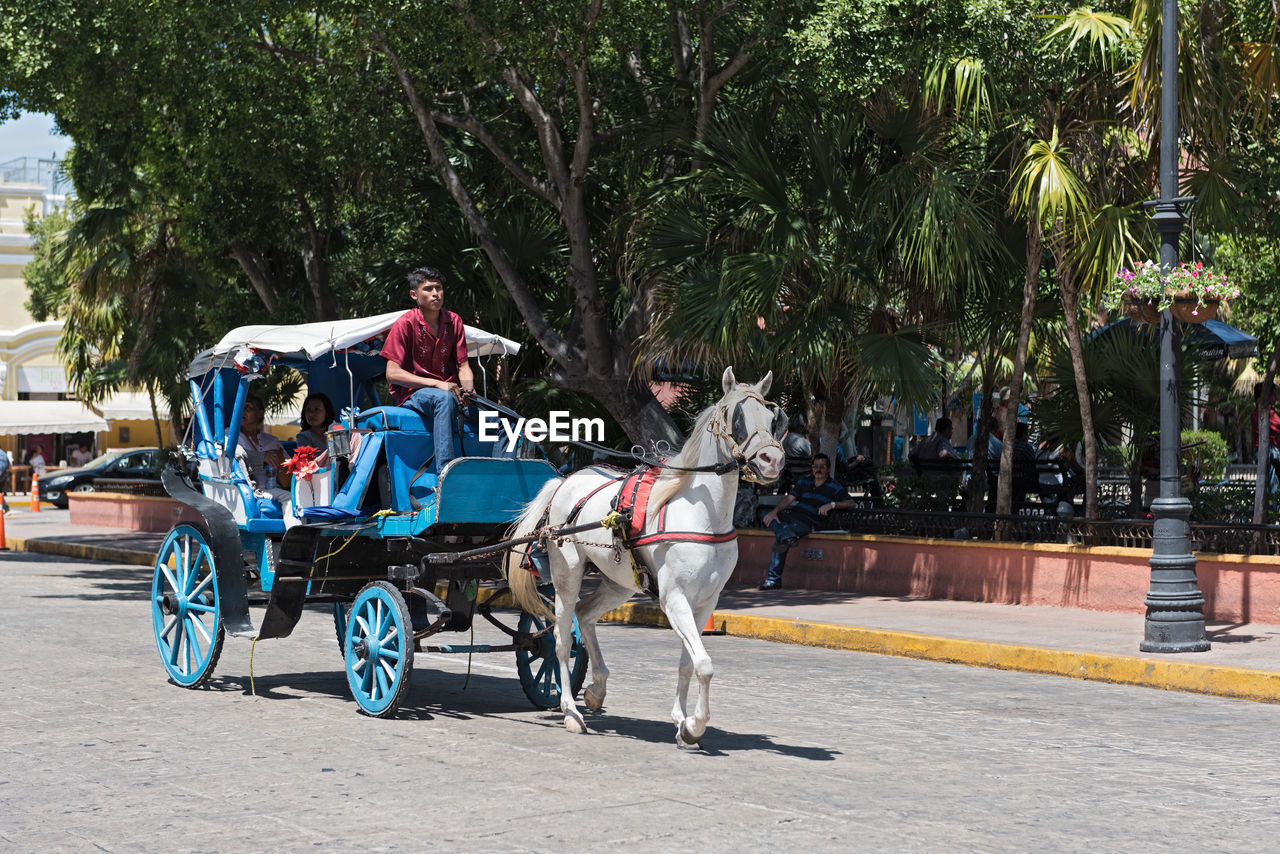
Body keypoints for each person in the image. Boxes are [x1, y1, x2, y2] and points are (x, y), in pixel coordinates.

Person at [380, 266, 475, 473]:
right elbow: (392, 373)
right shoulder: (404, 323)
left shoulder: (454, 321)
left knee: (498, 417)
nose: (435, 294)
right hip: (415, 395)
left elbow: (464, 366)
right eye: (428, 289)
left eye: (439, 288)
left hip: (450, 391)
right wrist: (437, 383)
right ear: (414, 294)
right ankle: (445, 473)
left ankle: (502, 474)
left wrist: (468, 390)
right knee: (443, 399)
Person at [758, 454, 855, 591]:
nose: (818, 469)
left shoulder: (834, 487)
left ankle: (773, 580)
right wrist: (774, 512)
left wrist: (832, 505)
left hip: (809, 522)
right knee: (765, 514)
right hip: (793, 517)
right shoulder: (805, 482)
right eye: (815, 466)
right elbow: (789, 499)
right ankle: (787, 536)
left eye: (822, 466)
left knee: (780, 539)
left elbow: (851, 503)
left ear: (828, 469)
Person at [235, 394, 288, 499]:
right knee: (290, 499)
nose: (243, 411)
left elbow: (288, 464)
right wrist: (262, 457)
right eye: (241, 407)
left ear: (260, 414)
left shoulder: (272, 440)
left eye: (248, 407)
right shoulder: (231, 435)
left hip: (275, 486)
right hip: (251, 490)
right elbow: (231, 456)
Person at [0, 445, 9, 513]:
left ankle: (6, 508)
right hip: (4, 476)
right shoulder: (4, 454)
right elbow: (9, 464)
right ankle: (6, 508)